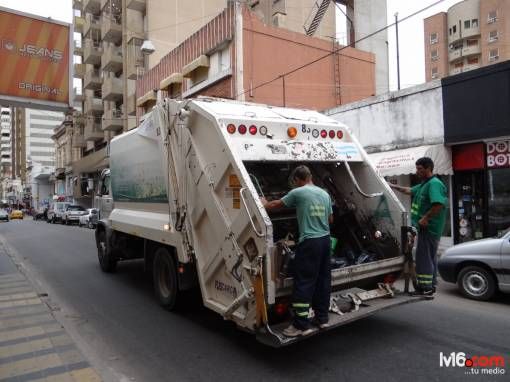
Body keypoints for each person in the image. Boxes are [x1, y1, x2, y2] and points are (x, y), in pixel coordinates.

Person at [262, 165, 333, 337]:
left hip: (310, 243)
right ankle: (322, 319)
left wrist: (263, 203)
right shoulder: (324, 193)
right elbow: (330, 219)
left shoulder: (298, 192)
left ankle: (301, 325)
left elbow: (275, 205)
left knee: (304, 282)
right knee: (323, 280)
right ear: (310, 177)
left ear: (297, 180)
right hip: (326, 241)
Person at [389, 157, 447, 297]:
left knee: (424, 259)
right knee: (429, 258)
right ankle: (430, 285)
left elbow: (438, 204)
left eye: (420, 169)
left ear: (428, 168)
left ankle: (425, 288)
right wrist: (393, 186)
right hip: (425, 228)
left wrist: (425, 218)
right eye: (417, 168)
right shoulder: (424, 184)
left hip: (429, 229)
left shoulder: (434, 184)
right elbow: (409, 190)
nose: (417, 171)